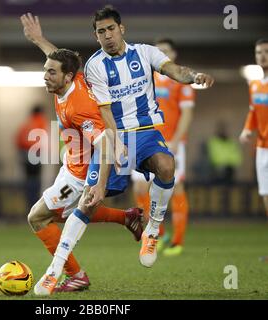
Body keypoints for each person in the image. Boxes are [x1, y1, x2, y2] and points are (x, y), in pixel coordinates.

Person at [32, 6, 214, 296]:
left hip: (145, 132)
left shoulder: (145, 53)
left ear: (122, 29)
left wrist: (194, 76)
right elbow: (71, 77)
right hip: (115, 137)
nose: (107, 35)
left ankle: (152, 230)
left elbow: (174, 71)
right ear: (96, 35)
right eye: (101, 31)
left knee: (168, 166)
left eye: (111, 29)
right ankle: (55, 271)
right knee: (89, 202)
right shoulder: (94, 67)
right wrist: (111, 155)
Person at [20, 13, 144, 293]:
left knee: (38, 217)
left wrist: (97, 185)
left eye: (51, 73)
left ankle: (75, 275)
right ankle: (127, 217)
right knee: (64, 213)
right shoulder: (67, 77)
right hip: (71, 162)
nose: (45, 76)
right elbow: (57, 58)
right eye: (46, 70)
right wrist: (38, 39)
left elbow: (104, 146)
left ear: (65, 77)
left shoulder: (79, 107)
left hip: (81, 173)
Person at [131, 38, 195, 257]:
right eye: (158, 51)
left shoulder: (179, 79)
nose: (161, 54)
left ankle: (177, 240)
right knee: (140, 189)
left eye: (166, 51)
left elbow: (187, 113)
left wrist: (177, 139)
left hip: (170, 142)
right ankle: (158, 233)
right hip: (142, 139)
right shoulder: (144, 78)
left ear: (173, 55)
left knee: (175, 187)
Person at [239, 38, 268, 218]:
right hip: (262, 146)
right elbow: (253, 112)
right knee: (265, 192)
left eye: (266, 52)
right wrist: (247, 129)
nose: (262, 56)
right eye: (259, 53)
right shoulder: (255, 85)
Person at [15, 105, 49, 210]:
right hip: (36, 154)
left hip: (25, 155)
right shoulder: (41, 122)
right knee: (36, 181)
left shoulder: (26, 124)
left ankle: (29, 205)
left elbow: (18, 140)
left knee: (28, 181)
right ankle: (35, 205)